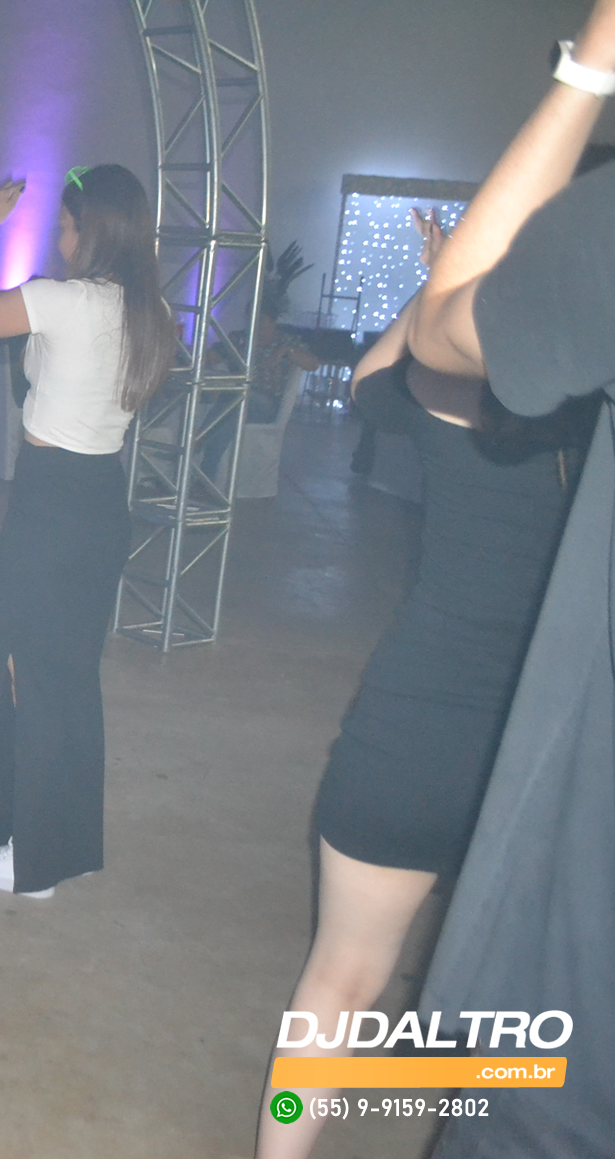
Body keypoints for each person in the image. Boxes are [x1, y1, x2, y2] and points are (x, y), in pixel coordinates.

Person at [254, 226, 594, 1159]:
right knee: (532, 1019)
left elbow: (371, 381)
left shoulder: (453, 400)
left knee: (340, 981)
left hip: (415, 737)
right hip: (554, 764)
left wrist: (442, 281)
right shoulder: (593, 439)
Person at [404, 2, 615, 1152]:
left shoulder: (485, 385)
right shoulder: (558, 441)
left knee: (346, 978)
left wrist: (585, 74)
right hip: (490, 716)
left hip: (570, 970)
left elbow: (438, 335)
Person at [0, 165, 172, 897]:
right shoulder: (149, 309)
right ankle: (54, 845)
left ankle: (32, 860)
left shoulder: (70, 302)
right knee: (66, 676)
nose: (61, 238)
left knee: (29, 670)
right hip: (99, 499)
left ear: (92, 230)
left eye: (66, 226)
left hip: (53, 503)